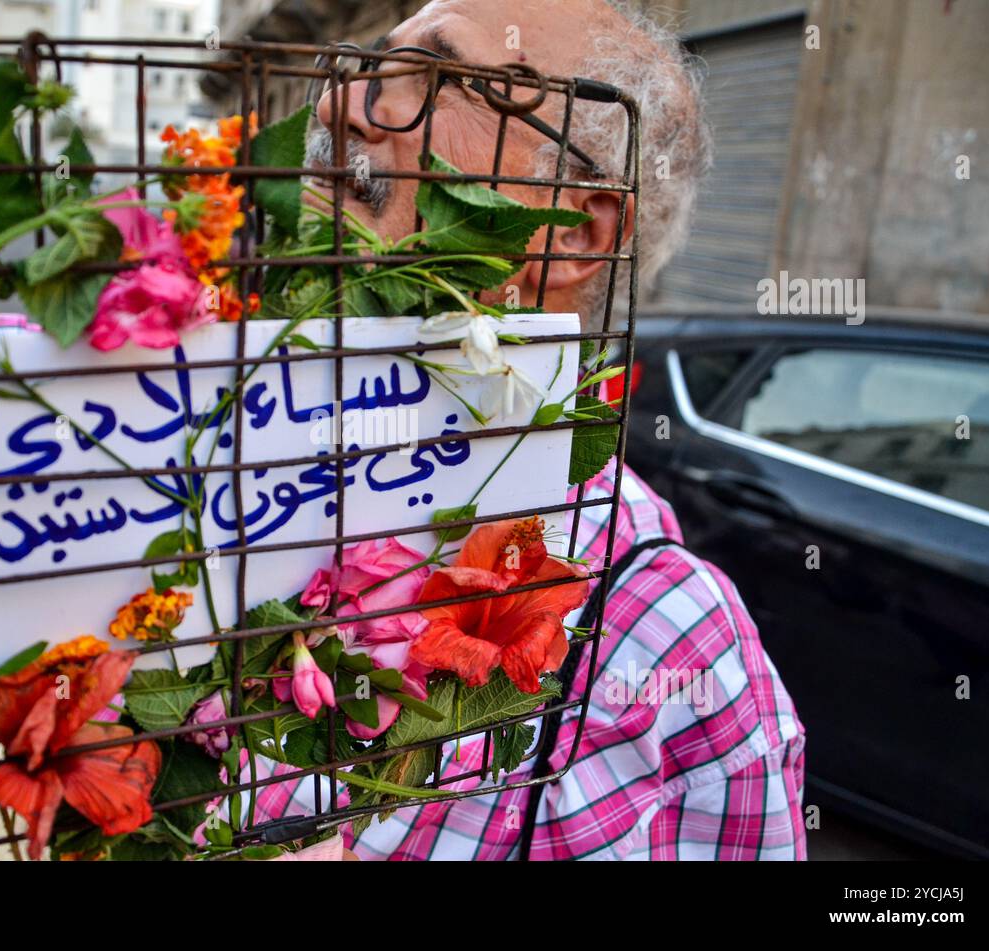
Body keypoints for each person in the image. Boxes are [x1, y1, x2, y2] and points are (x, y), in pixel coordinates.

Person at [250, 0, 808, 860]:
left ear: (571, 232)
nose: (336, 107)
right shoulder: (193, 470)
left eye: (434, 79)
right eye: (373, 66)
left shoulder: (671, 653)